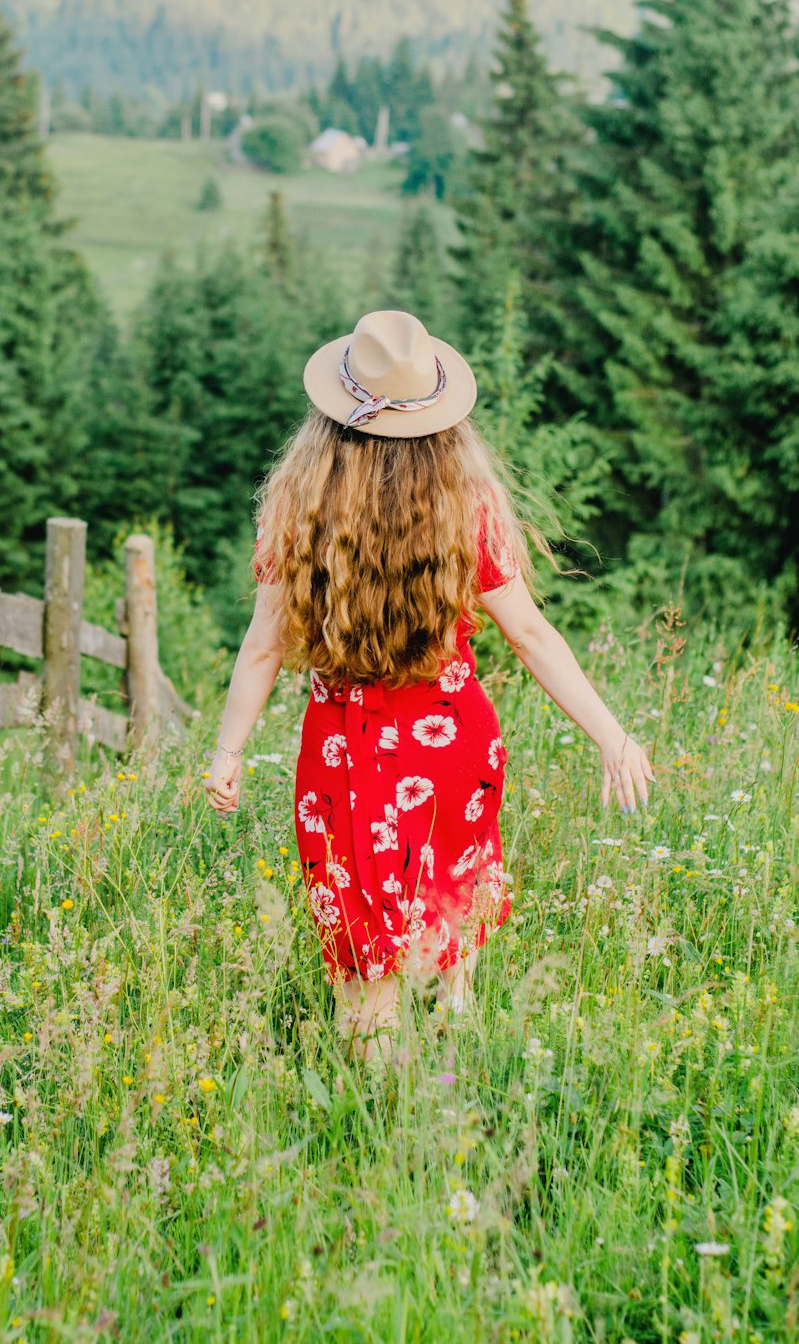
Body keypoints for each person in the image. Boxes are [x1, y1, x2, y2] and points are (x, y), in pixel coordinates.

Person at [203, 309, 654, 1065]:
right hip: (451, 746)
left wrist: (228, 750)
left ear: (330, 419)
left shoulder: (295, 514)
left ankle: (380, 1117)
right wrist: (612, 736)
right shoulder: (465, 508)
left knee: (361, 952)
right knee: (450, 905)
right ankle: (454, 1059)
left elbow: (262, 649)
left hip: (345, 758)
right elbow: (532, 635)